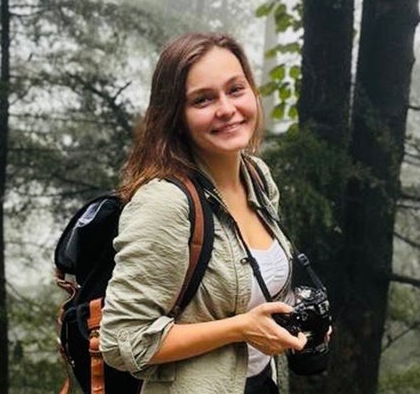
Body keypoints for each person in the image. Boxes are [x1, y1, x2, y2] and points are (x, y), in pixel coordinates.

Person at [99, 32, 307, 394]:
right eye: (203, 99)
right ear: (176, 117)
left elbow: (259, 290)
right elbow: (121, 341)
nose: (226, 109)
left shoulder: (257, 177)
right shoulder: (165, 203)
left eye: (236, 89)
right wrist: (240, 328)